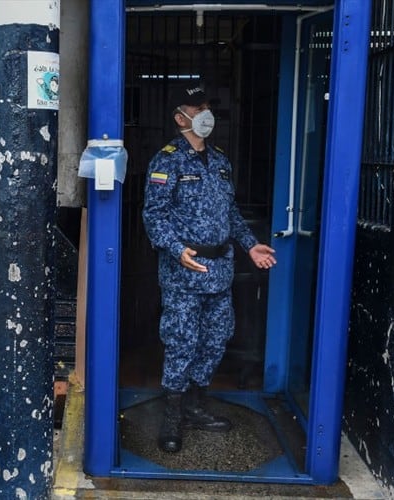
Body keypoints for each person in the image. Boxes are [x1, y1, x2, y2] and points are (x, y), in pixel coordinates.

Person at [141, 83, 276, 453]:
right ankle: (171, 416)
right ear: (179, 116)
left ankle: (195, 405)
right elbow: (154, 216)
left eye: (207, 106)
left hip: (220, 269)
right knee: (182, 341)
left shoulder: (219, 161)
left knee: (216, 339)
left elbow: (229, 214)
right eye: (196, 108)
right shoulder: (166, 161)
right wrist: (175, 249)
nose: (205, 114)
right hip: (185, 270)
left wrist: (250, 246)